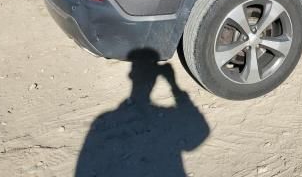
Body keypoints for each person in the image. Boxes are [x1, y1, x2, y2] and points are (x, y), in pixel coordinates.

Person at [75, 49, 209, 177]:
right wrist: (173, 85)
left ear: (131, 77)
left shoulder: (104, 119)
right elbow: (199, 133)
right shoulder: (107, 118)